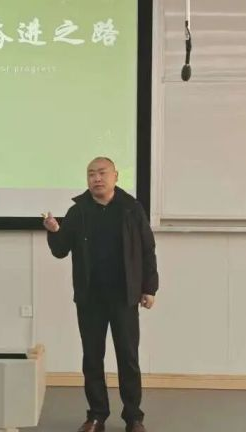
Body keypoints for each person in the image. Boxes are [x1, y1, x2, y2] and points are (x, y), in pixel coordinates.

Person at [43, 157, 159, 432]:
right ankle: (96, 415)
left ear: (115, 176)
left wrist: (149, 288)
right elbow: (61, 250)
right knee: (92, 358)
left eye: (102, 173)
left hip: (124, 297)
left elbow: (147, 249)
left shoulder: (131, 209)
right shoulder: (78, 211)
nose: (96, 178)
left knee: (128, 358)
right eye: (91, 174)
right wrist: (54, 231)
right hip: (90, 298)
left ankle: (133, 417)